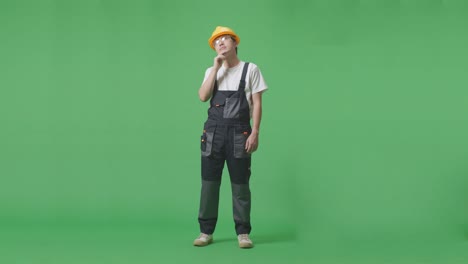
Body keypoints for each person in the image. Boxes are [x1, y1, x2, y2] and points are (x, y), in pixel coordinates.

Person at [193, 26, 268, 249]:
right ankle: (205, 232)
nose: (221, 43)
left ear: (235, 43)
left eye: (226, 39)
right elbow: (202, 96)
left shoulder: (250, 69)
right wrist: (216, 68)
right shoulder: (211, 71)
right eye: (217, 41)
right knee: (209, 185)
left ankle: (243, 232)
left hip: (239, 135)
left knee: (241, 186)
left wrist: (255, 131)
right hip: (213, 134)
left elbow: (257, 104)